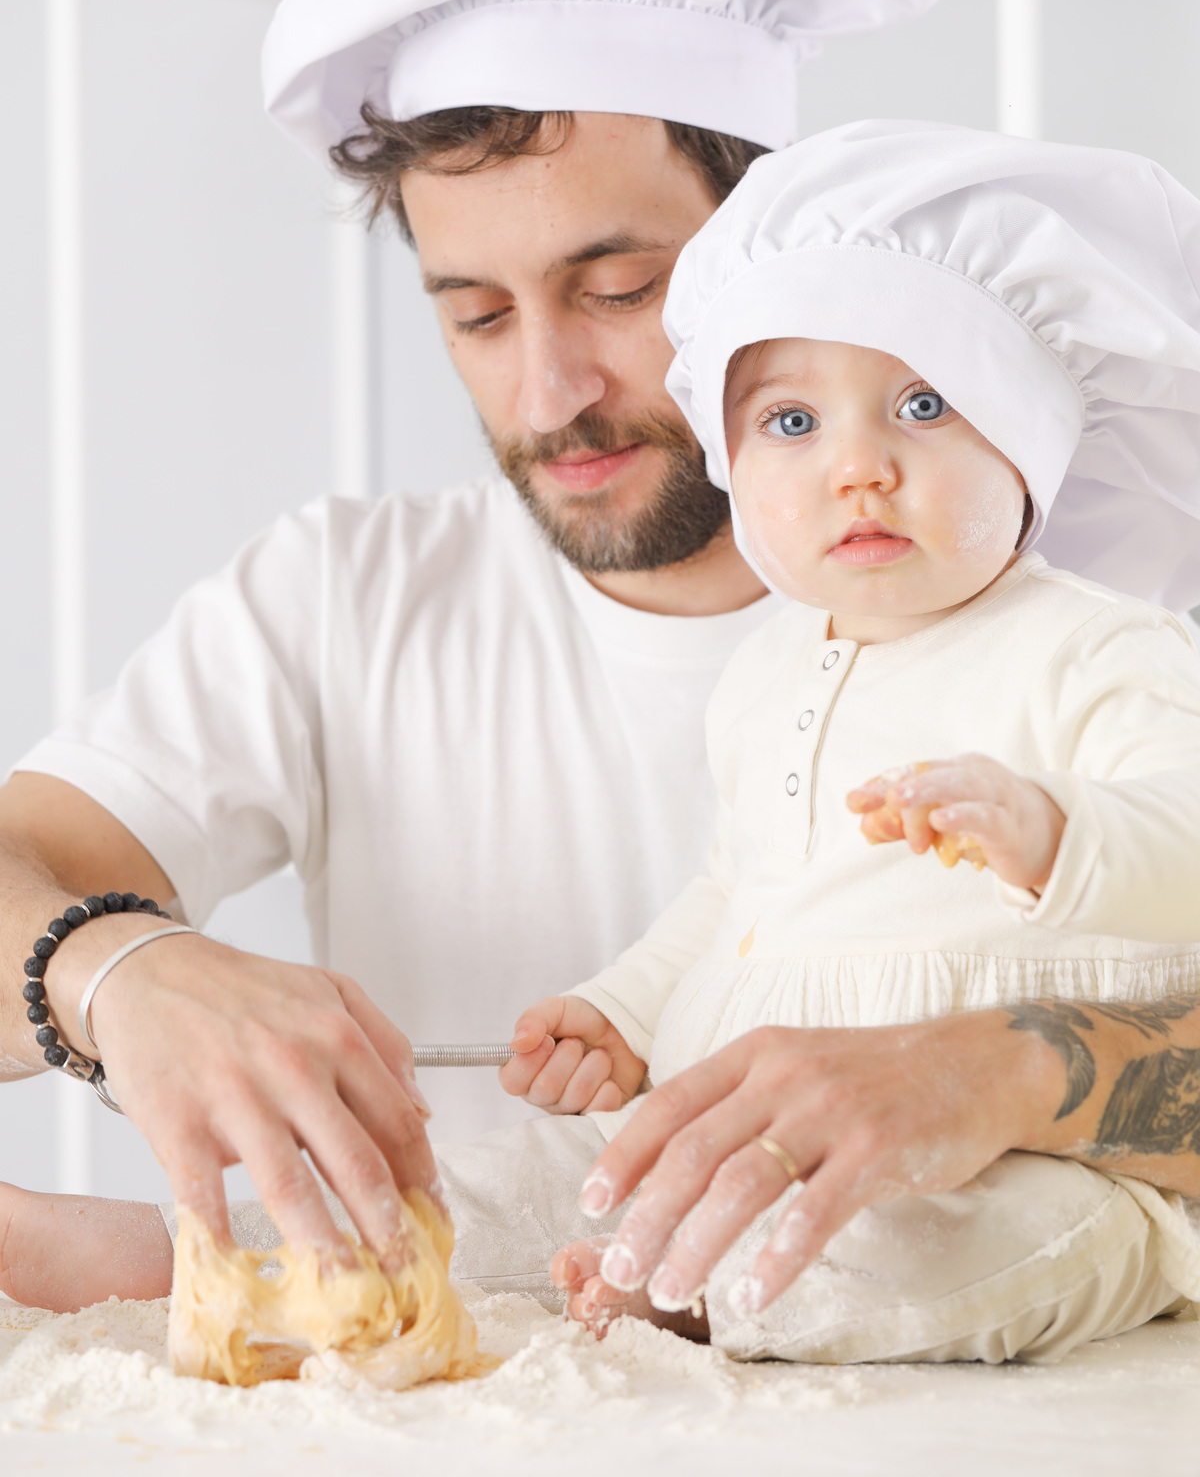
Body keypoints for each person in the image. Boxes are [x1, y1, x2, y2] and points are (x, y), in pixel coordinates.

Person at [7, 120, 1200, 1367]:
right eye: (794, 421)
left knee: (915, 1245)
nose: (859, 468)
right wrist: (625, 1009)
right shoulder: (765, 666)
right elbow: (730, 891)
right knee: (525, 1182)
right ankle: (181, 1250)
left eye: (624, 291)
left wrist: (1059, 849)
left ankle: (702, 1292)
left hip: (1015, 1167)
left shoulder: (1097, 646)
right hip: (714, 1121)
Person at [0, 0, 957, 1295]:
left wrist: (1001, 1074)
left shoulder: (1032, 607)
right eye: (479, 315)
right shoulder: (346, 598)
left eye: (620, 291)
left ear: (776, 246)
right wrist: (113, 968)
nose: (549, 392)